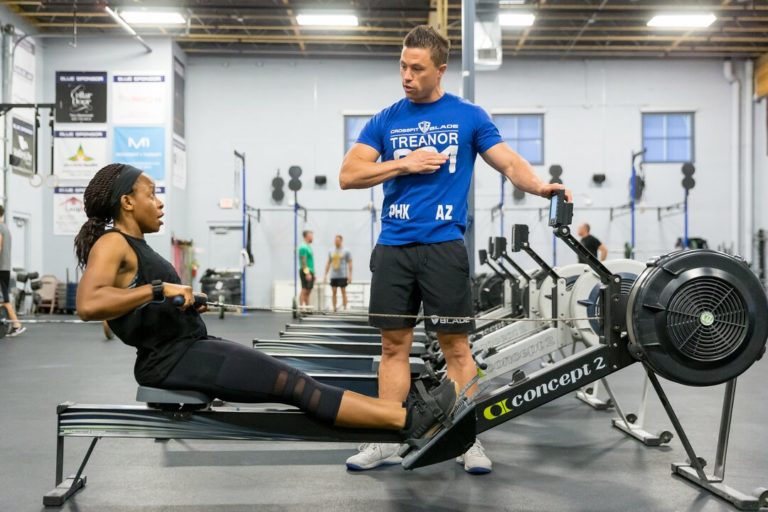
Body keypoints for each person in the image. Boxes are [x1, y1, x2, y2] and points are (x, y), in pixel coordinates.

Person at [74, 163, 460, 443]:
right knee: (297, 387)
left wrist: (181, 304)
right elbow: (89, 305)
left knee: (299, 382)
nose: (159, 203)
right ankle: (411, 419)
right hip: (172, 361)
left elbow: (137, 303)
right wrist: (160, 291)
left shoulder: (135, 245)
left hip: (190, 348)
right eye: (151, 194)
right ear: (127, 201)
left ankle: (405, 417)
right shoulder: (112, 242)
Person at [339, 25, 571, 473]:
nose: (406, 75)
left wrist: (542, 186)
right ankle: (388, 436)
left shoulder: (467, 116)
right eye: (402, 66)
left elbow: (508, 161)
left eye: (417, 68)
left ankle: (466, 440)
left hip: (444, 246)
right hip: (394, 247)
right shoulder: (386, 119)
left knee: (457, 350)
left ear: (440, 70)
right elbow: (349, 174)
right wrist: (404, 162)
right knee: (393, 346)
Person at [0, 205, 24, 337]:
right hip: (4, 268)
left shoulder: (0, 228)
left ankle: (16, 324)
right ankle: (15, 324)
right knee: (3, 299)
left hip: (1, 268)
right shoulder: (6, 229)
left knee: (5, 300)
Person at [323, 235, 352, 311]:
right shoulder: (331, 251)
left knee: (343, 291)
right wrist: (325, 275)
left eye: (338, 240)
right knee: (334, 291)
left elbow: (350, 263)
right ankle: (334, 308)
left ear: (341, 241)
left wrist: (350, 275)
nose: (336, 242)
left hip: (342, 275)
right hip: (333, 275)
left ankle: (345, 307)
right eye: (335, 240)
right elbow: (328, 263)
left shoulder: (346, 251)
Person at [298, 230, 315, 307]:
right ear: (307, 236)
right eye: (311, 236)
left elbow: (310, 261)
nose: (312, 237)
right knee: (304, 290)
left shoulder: (308, 247)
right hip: (305, 270)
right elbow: (303, 261)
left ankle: (307, 308)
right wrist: (307, 273)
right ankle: (301, 308)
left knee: (308, 291)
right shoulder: (303, 247)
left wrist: (313, 273)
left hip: (310, 271)